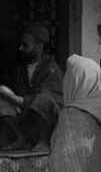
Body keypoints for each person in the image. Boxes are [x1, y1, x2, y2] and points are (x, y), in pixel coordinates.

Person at [0, 22, 63, 151]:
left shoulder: (52, 69)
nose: (20, 49)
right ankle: (22, 138)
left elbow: (43, 102)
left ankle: (43, 141)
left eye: (25, 45)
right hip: (27, 120)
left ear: (39, 46)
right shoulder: (21, 70)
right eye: (20, 45)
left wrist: (9, 96)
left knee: (43, 100)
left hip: (49, 125)